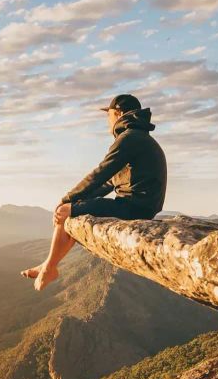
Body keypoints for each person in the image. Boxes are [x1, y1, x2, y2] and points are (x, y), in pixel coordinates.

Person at [22, 93, 167, 291]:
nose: (108, 121)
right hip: (140, 206)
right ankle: (48, 264)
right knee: (74, 209)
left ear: (118, 113)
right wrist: (76, 203)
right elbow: (108, 182)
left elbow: (100, 173)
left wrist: (66, 201)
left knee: (66, 212)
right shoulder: (137, 138)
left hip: (134, 207)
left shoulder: (129, 138)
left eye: (109, 115)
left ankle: (50, 267)